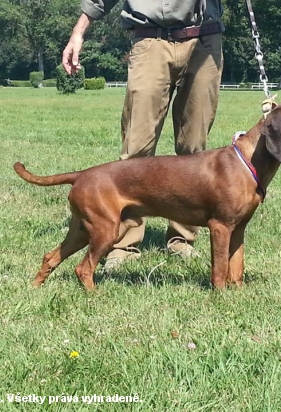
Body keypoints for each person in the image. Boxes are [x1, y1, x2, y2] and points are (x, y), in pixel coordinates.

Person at [62, 0, 224, 271]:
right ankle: (124, 243)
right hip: (150, 40)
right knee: (135, 150)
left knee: (194, 149)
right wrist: (78, 32)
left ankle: (182, 239)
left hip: (204, 39)